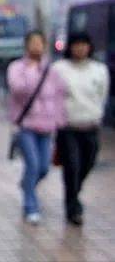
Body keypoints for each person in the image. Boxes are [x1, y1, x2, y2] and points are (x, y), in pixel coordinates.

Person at [7, 31, 64, 225]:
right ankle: (30, 206)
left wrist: (59, 120)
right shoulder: (16, 67)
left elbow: (57, 96)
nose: (37, 47)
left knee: (43, 167)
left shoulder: (52, 70)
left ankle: (26, 185)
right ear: (26, 45)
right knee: (32, 164)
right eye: (33, 43)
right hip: (26, 125)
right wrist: (32, 70)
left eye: (40, 43)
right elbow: (18, 89)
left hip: (47, 126)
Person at [53, 32, 110, 226]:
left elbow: (102, 95)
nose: (80, 48)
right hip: (68, 127)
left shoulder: (99, 69)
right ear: (70, 47)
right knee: (72, 165)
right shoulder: (59, 69)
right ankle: (73, 208)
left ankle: (73, 192)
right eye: (76, 44)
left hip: (91, 125)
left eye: (84, 44)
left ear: (89, 47)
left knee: (88, 161)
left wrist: (97, 115)